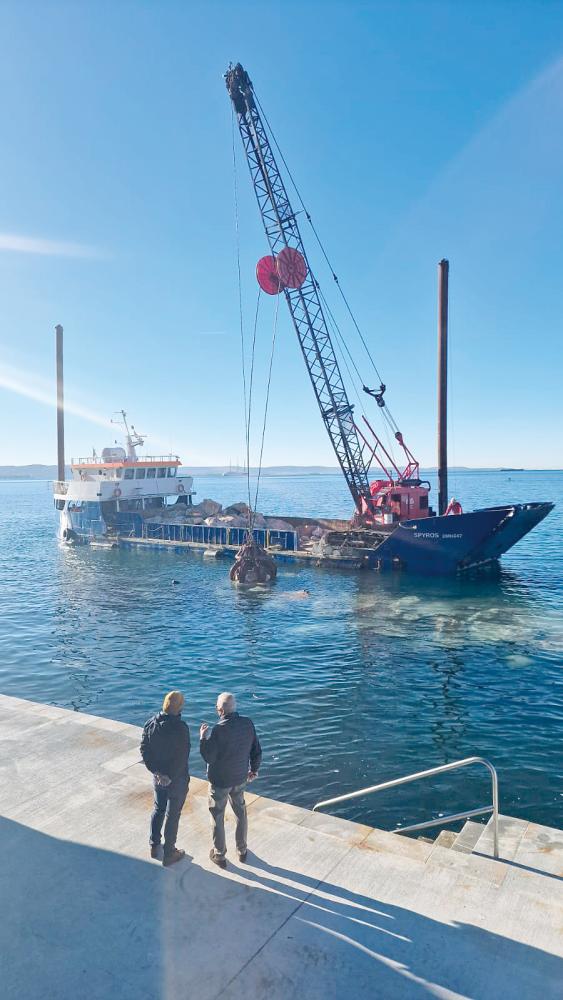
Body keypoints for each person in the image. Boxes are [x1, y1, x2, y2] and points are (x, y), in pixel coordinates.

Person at [200, 692, 262, 869]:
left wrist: (203, 738)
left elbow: (208, 757)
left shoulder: (217, 730)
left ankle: (219, 854)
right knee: (240, 811)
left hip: (219, 781)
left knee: (217, 815)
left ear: (220, 710)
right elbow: (256, 750)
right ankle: (242, 850)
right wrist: (254, 770)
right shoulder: (247, 724)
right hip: (240, 777)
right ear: (234, 707)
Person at [140, 690, 190, 867]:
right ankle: (170, 852)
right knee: (173, 814)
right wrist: (170, 777)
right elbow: (182, 757)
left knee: (158, 809)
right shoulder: (181, 728)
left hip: (158, 778)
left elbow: (144, 751)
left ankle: (154, 845)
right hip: (176, 780)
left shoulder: (150, 724)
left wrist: (157, 772)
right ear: (180, 708)